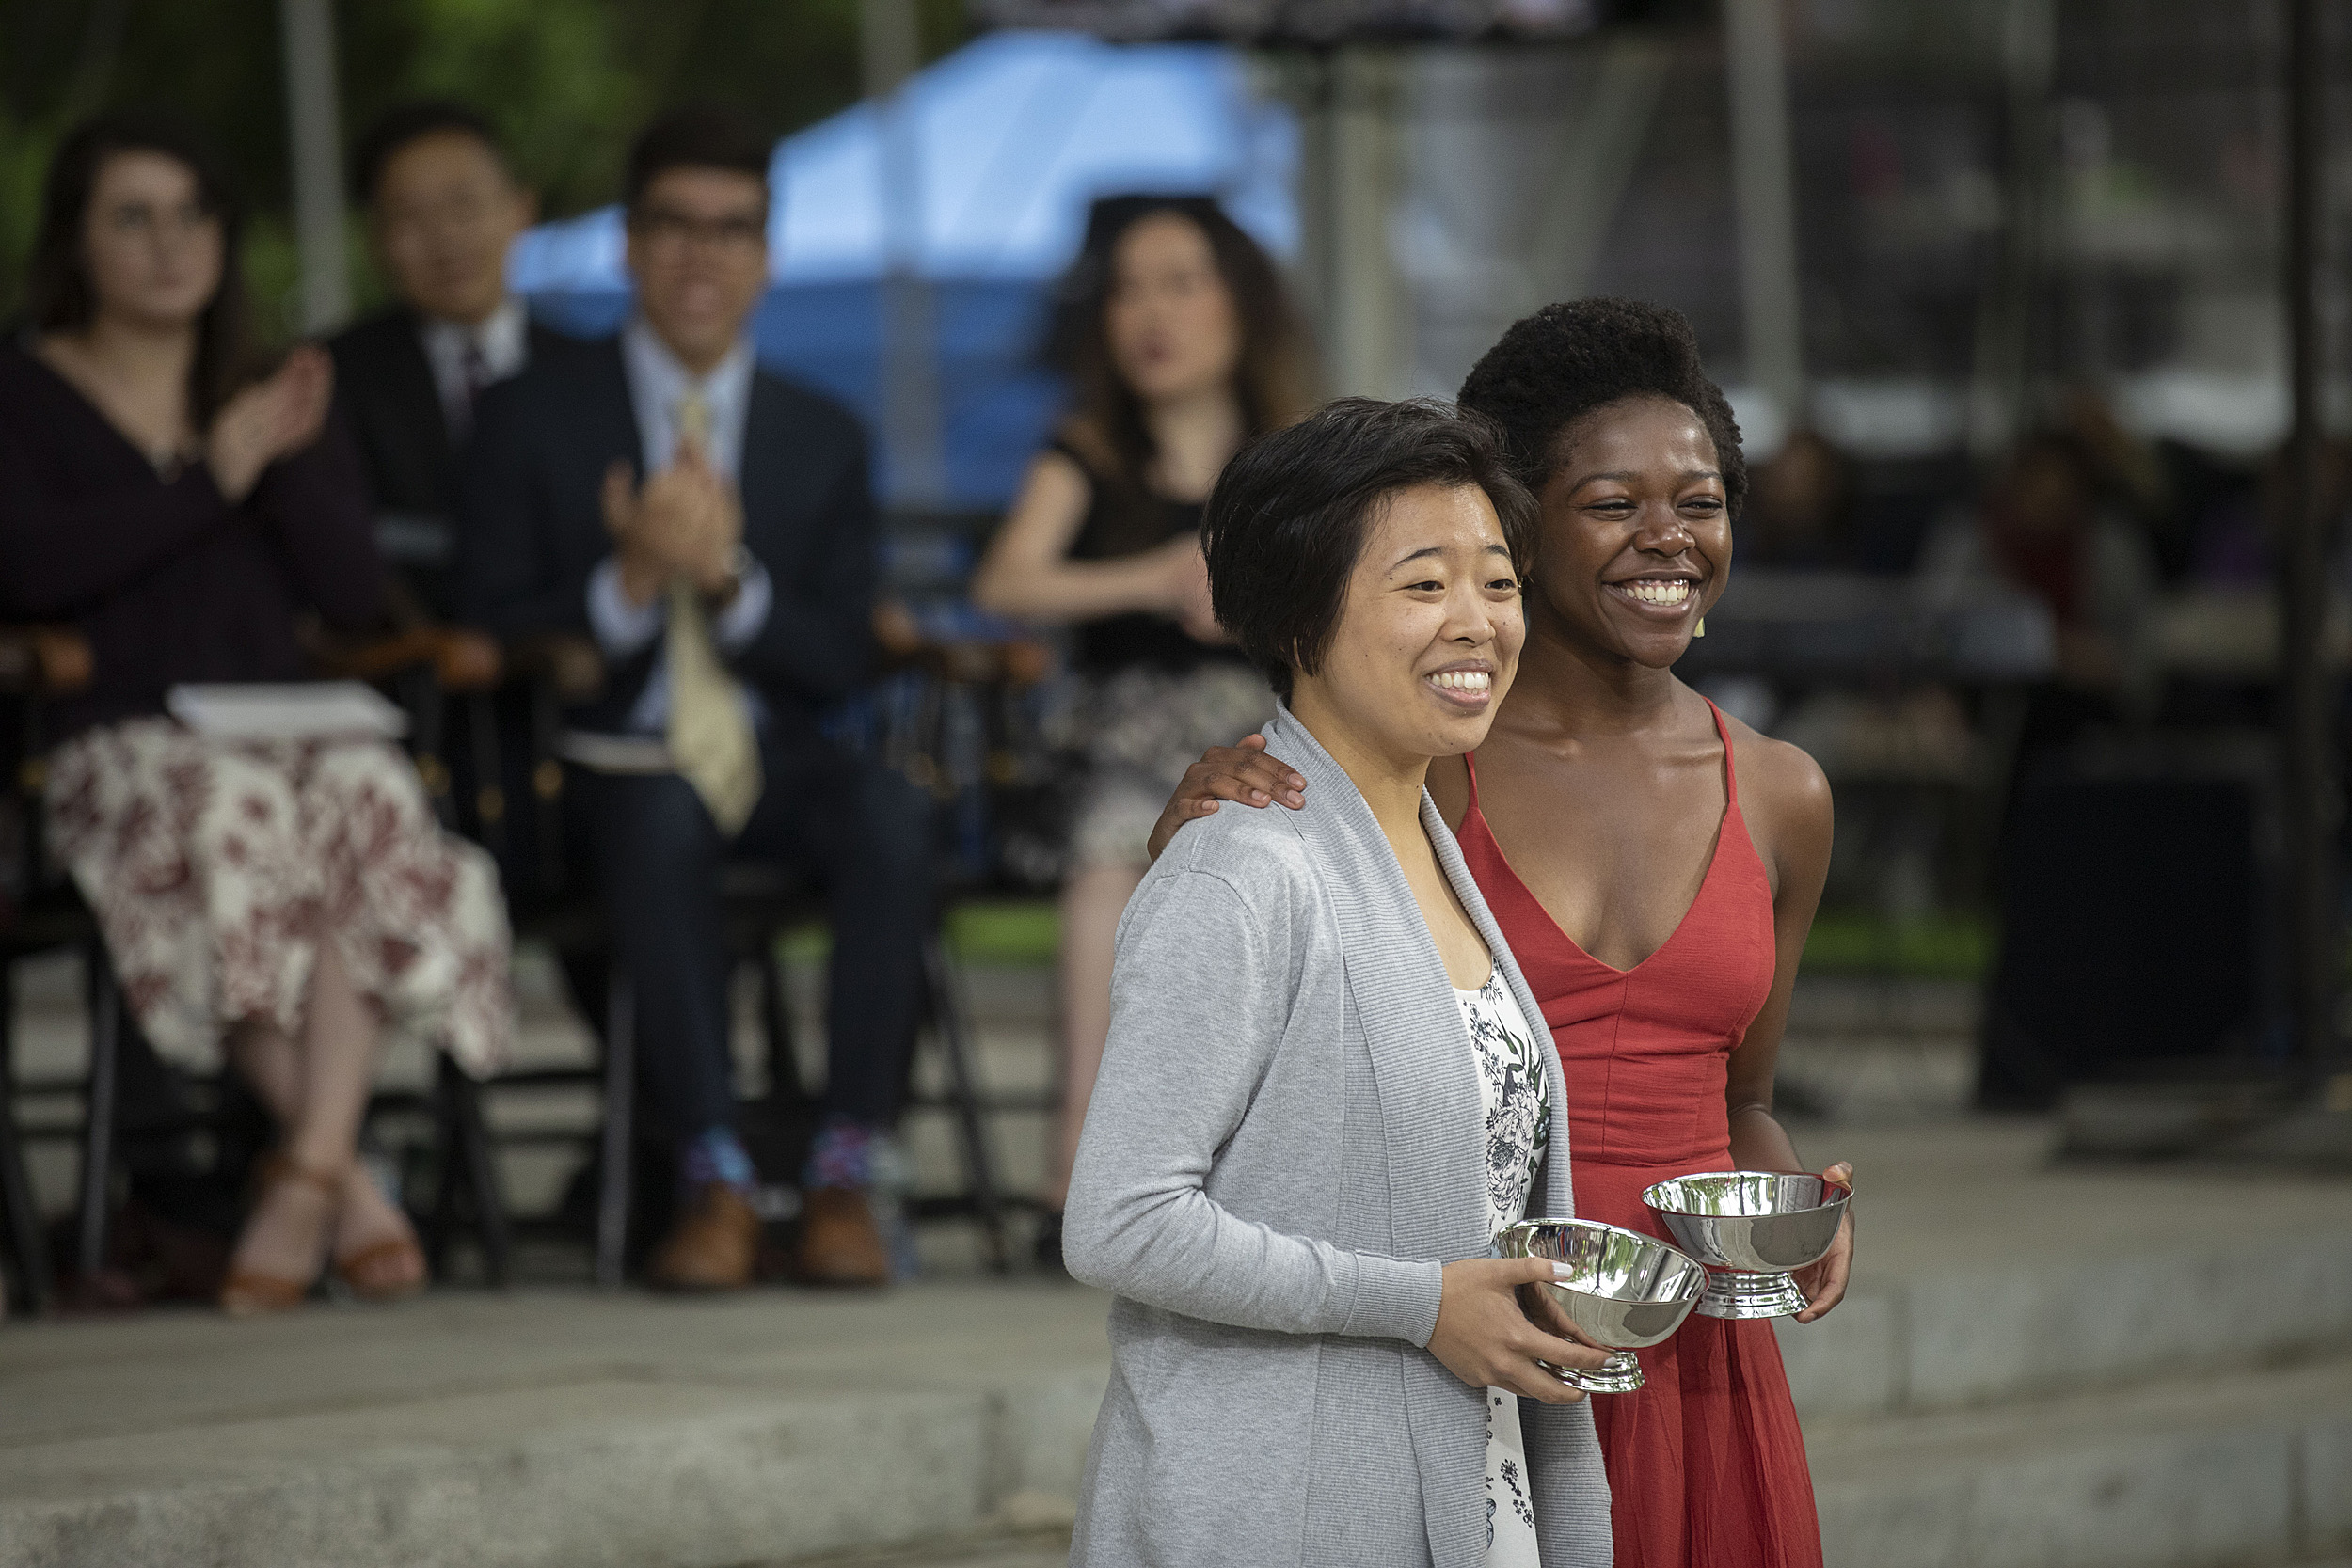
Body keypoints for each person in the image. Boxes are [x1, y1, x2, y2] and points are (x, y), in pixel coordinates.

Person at [1150, 300, 1853, 1568]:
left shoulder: (1784, 791)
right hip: (1476, 1341)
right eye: (1612, 500)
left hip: (1702, 1364)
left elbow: (1742, 1098)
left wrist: (1803, 1205)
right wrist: (1190, 814)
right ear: (1516, 524)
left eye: (1699, 500)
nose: (1668, 538)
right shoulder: (1407, 765)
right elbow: (1230, 959)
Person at [1064, 397, 1612, 1568]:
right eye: (1423, 586)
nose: (1476, 623)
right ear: (1300, 618)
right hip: (1279, 1503)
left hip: (1471, 1469)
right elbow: (1119, 1221)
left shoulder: (1431, 843)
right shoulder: (1242, 868)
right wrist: (1417, 1300)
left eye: (1499, 583)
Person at [0, 110, 513, 1314]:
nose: (168, 244)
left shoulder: (266, 391)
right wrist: (209, 478)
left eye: (191, 215)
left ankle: (311, 1165)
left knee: (368, 796)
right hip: (112, 735)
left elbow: (343, 590)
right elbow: (31, 571)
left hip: (287, 717)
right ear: (78, 239)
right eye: (132, 216)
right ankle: (347, 1186)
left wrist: (290, 453)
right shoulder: (23, 389)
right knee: (238, 817)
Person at [458, 106, 931, 1291]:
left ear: (766, 256)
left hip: (768, 754)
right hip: (594, 769)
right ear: (627, 243)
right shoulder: (531, 409)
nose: (700, 255)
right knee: (658, 811)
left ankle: (841, 1168)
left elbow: (837, 658)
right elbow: (490, 613)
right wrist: (628, 580)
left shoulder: (820, 435)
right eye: (673, 225)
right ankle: (712, 1175)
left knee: (890, 808)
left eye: (732, 231)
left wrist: (726, 583)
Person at [968, 195, 1311, 1267]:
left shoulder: (1292, 458)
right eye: (1126, 288)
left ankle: (1271, 1169)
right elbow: (1004, 580)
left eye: (1179, 282)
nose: (1149, 313)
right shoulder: (1088, 451)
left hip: (1259, 735)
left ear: (1240, 305)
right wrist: (1156, 576)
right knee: (1114, 847)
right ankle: (1075, 1164)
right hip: (1114, 741)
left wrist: (1248, 602)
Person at [331, 100, 565, 621]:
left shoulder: (588, 371)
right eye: (410, 216)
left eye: (465, 205)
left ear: (521, 210)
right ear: (375, 241)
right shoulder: (334, 379)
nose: (446, 238)